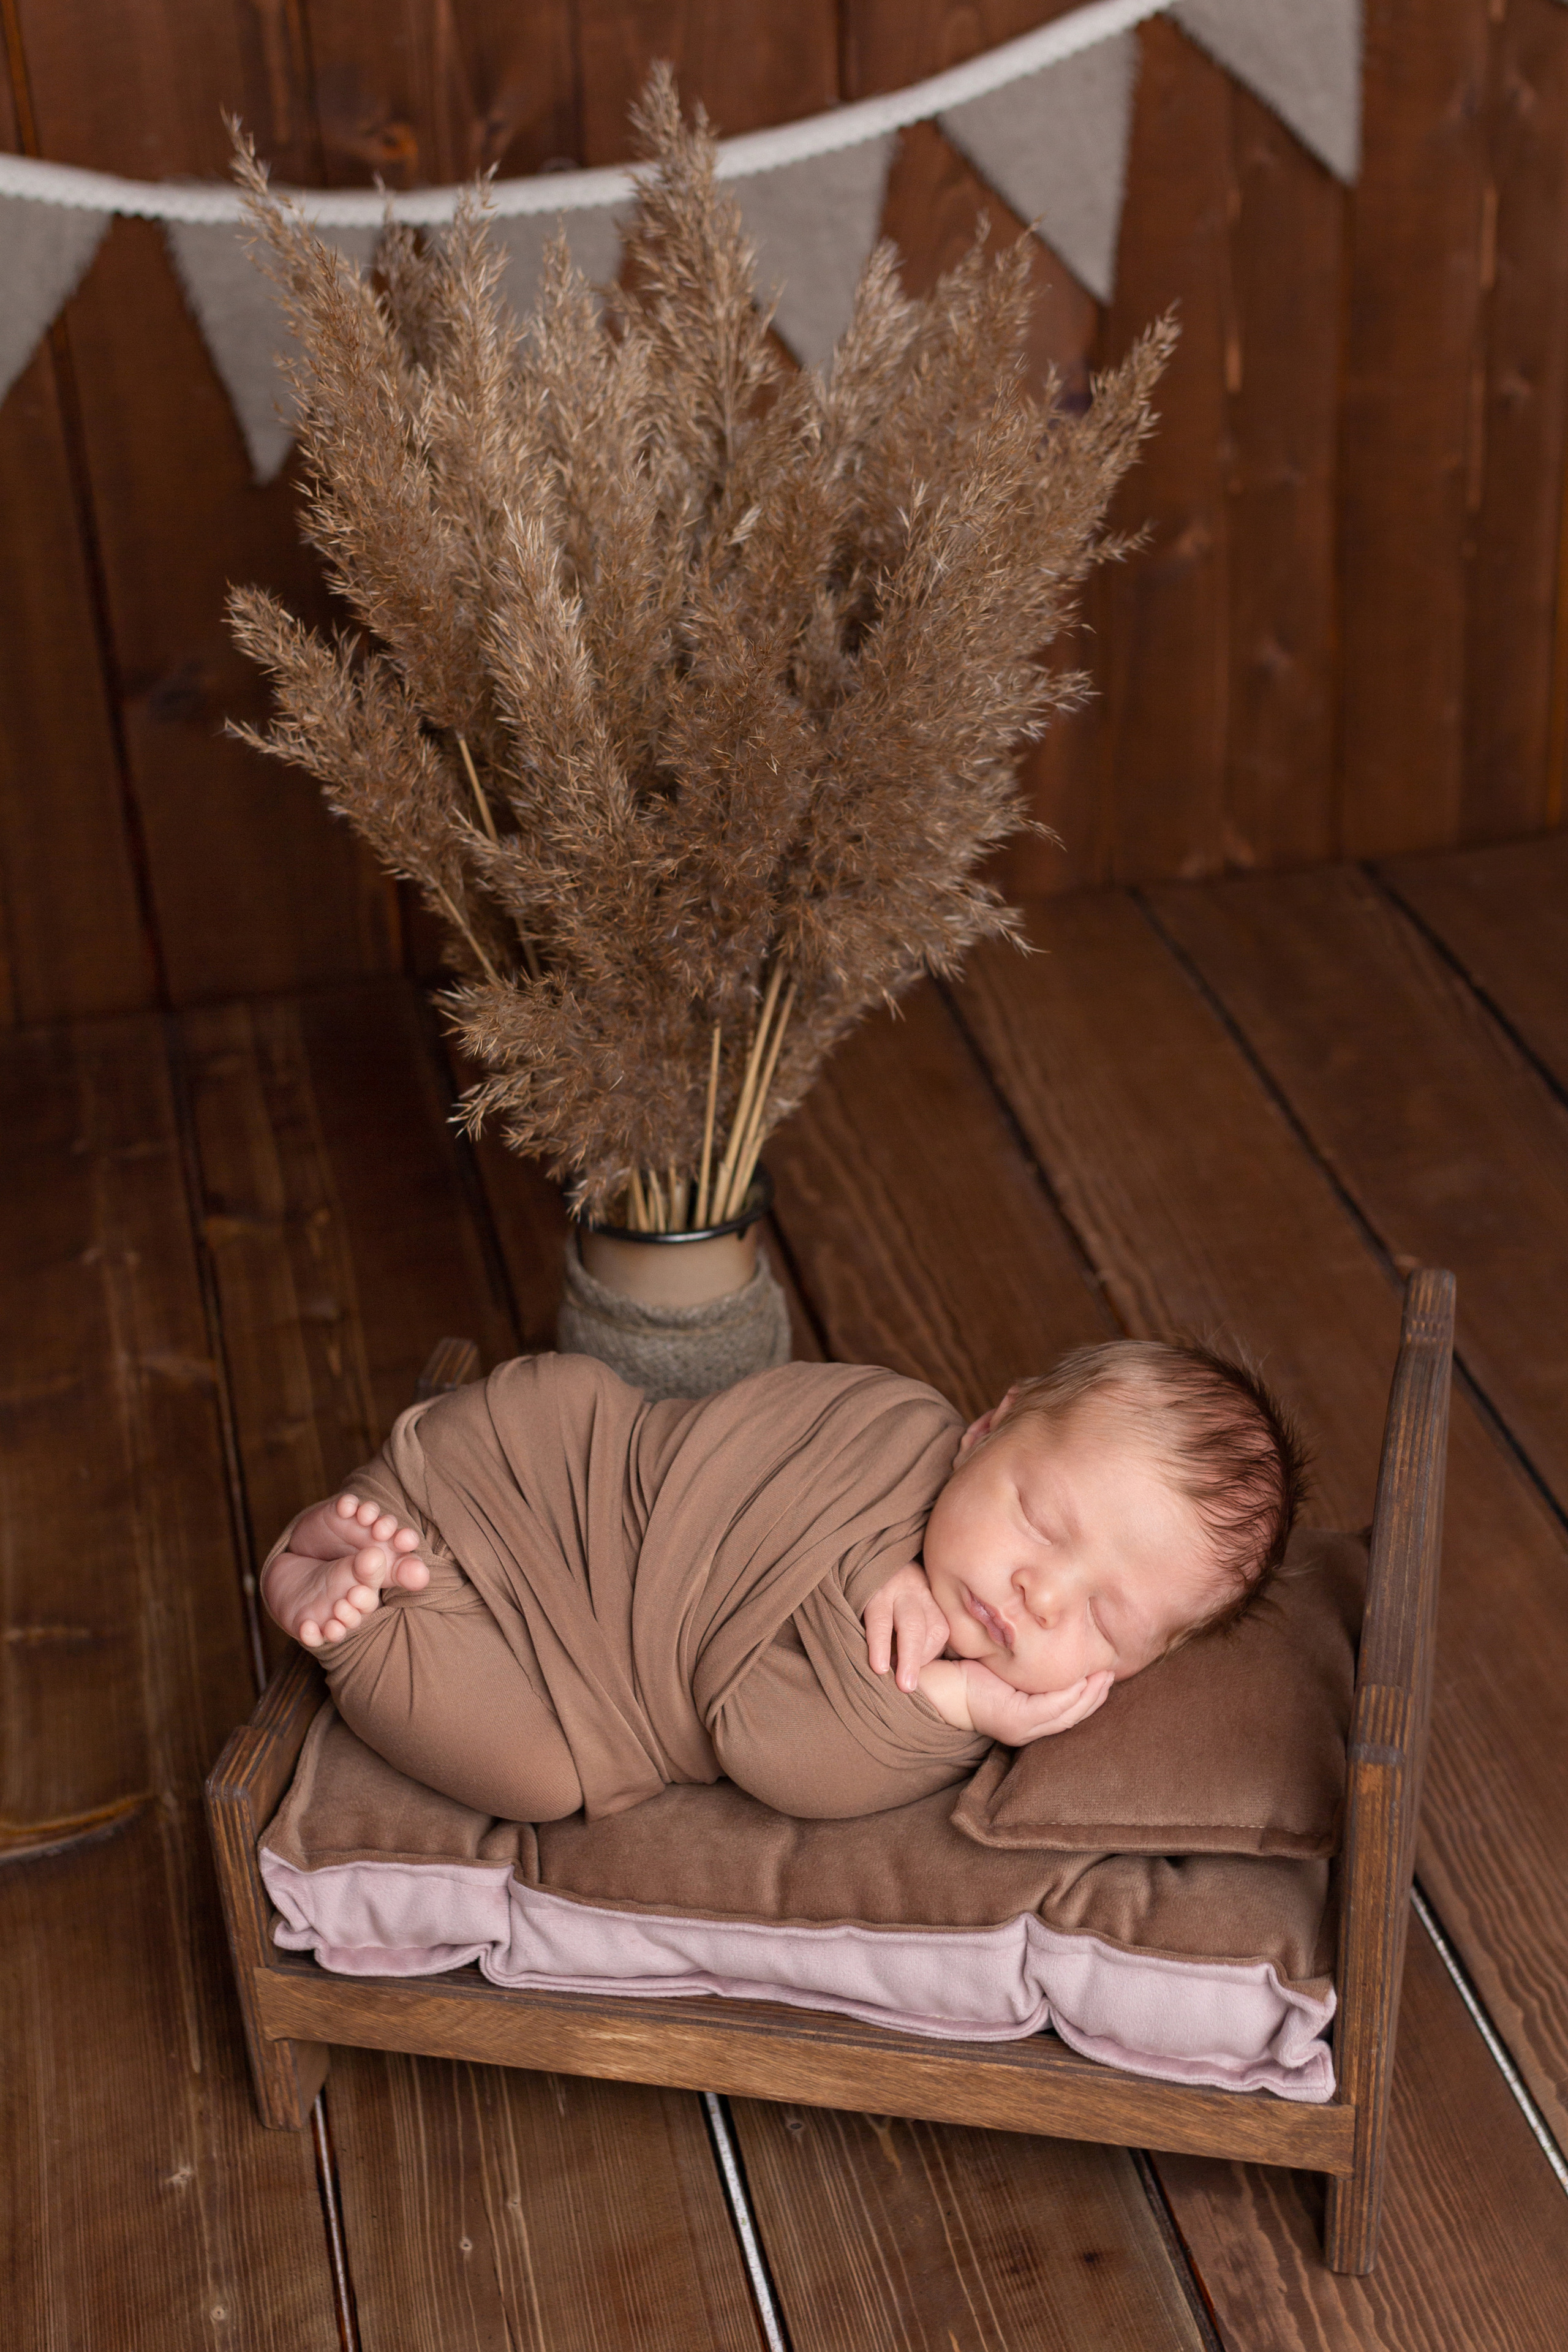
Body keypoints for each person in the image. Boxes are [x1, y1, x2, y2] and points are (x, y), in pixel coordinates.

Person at [262, 1342, 1304, 1825]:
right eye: (1039, 1518)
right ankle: (369, 1534)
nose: (1041, 1593)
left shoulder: (959, 1698)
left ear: (1141, 1664)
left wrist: (949, 1700)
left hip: (571, 1679)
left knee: (538, 1778)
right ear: (988, 1429)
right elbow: (764, 1435)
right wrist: (870, 1565)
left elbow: (772, 1744)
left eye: (1104, 1617)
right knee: (561, 1404)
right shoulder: (891, 1420)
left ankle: (351, 1608)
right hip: (554, 1476)